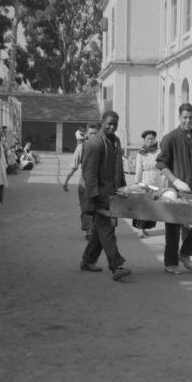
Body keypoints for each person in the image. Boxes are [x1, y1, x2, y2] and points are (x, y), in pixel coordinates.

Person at [156, 103, 192, 274]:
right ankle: (170, 263)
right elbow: (161, 164)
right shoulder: (170, 138)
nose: (188, 121)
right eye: (185, 117)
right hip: (176, 191)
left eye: (191, 117)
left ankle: (185, 253)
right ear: (179, 118)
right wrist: (176, 181)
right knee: (173, 227)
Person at [80, 110, 131, 281]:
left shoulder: (115, 141)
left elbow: (119, 168)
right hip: (99, 195)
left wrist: (123, 189)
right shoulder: (95, 144)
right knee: (107, 229)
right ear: (102, 122)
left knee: (99, 231)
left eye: (114, 124)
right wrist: (93, 197)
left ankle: (88, 260)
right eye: (109, 123)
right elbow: (89, 173)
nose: (111, 127)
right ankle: (116, 266)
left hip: (113, 194)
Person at [63, 123, 99, 240]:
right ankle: (89, 230)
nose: (93, 135)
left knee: (99, 207)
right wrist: (66, 181)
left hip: (100, 183)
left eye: (95, 133)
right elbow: (74, 166)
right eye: (91, 133)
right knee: (86, 207)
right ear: (87, 134)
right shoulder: (81, 148)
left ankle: (96, 229)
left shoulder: (104, 148)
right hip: (85, 183)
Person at [133, 129, 166, 238]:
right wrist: (137, 183)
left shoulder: (158, 152)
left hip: (156, 180)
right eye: (148, 139)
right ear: (144, 140)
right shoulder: (141, 153)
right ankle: (140, 229)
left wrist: (163, 180)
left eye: (152, 138)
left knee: (152, 206)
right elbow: (138, 169)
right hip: (145, 181)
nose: (150, 141)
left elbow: (163, 166)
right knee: (144, 206)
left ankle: (146, 227)